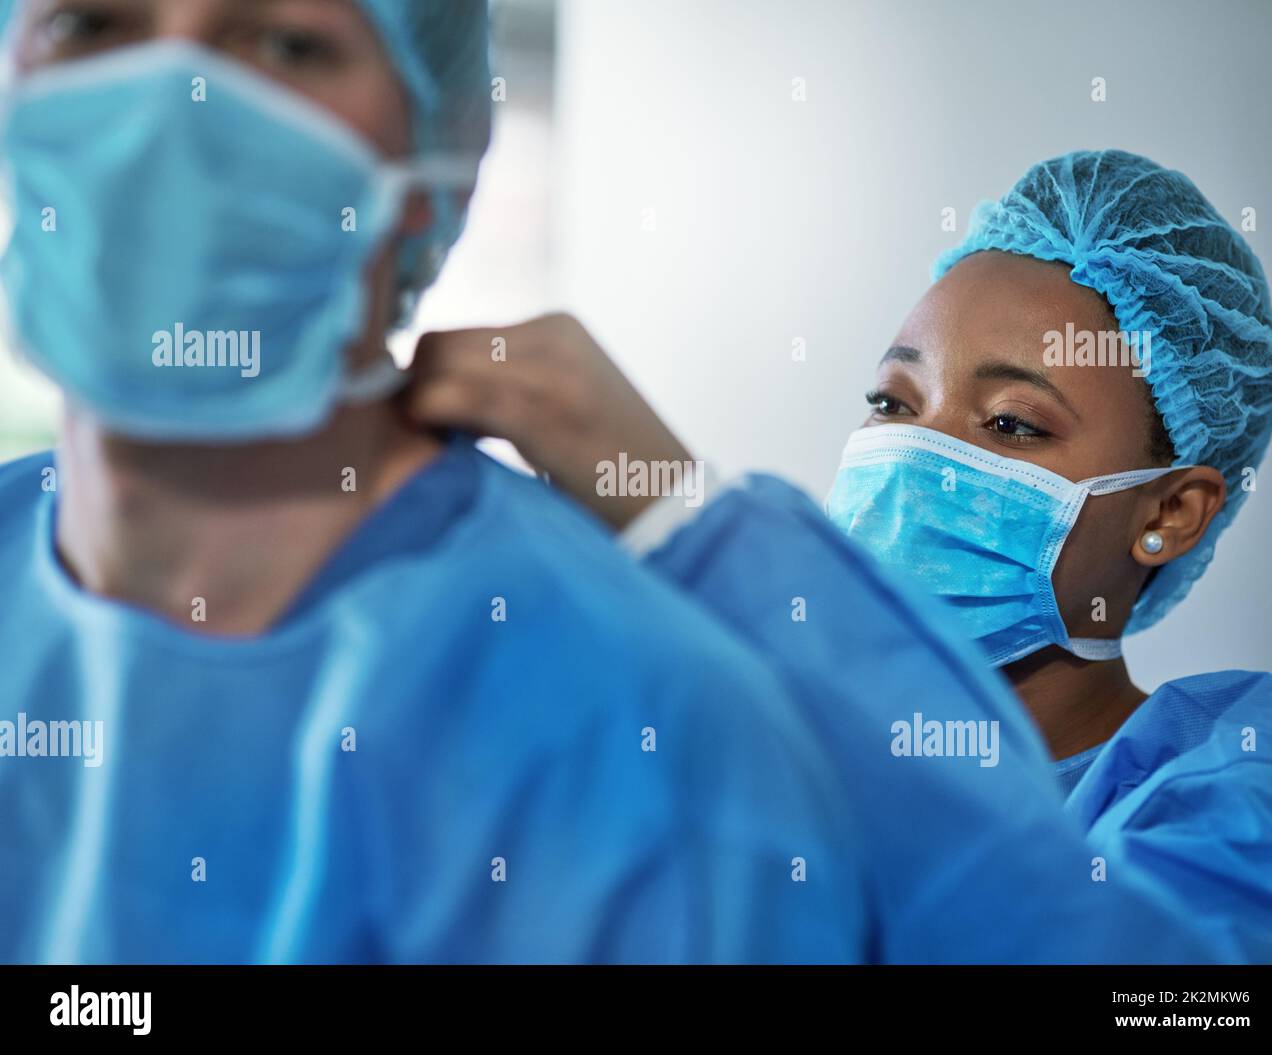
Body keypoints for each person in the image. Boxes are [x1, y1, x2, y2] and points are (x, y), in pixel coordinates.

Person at [0, 0, 879, 964]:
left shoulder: (634, 731)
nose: (167, 101)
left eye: (286, 42)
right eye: (90, 26)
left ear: (434, 159)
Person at [405, 151, 1272, 962]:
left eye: (1012, 424)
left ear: (1171, 511)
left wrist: (691, 523)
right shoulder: (759, 743)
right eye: (894, 401)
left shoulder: (1241, 782)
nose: (918, 460)